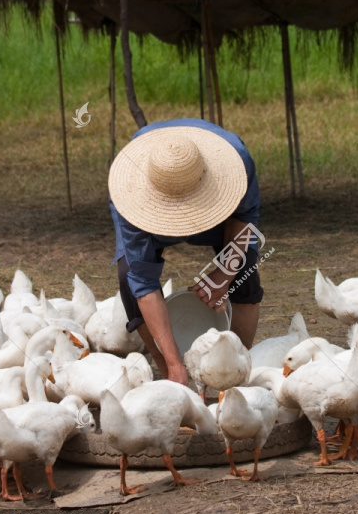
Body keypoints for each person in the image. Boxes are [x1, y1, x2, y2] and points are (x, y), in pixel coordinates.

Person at [108, 118, 263, 386]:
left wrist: (225, 273)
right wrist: (173, 362)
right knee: (128, 276)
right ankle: (171, 373)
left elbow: (245, 215)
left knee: (244, 270)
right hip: (147, 211)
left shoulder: (236, 161)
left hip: (217, 211)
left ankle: (235, 373)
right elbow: (144, 283)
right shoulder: (129, 194)